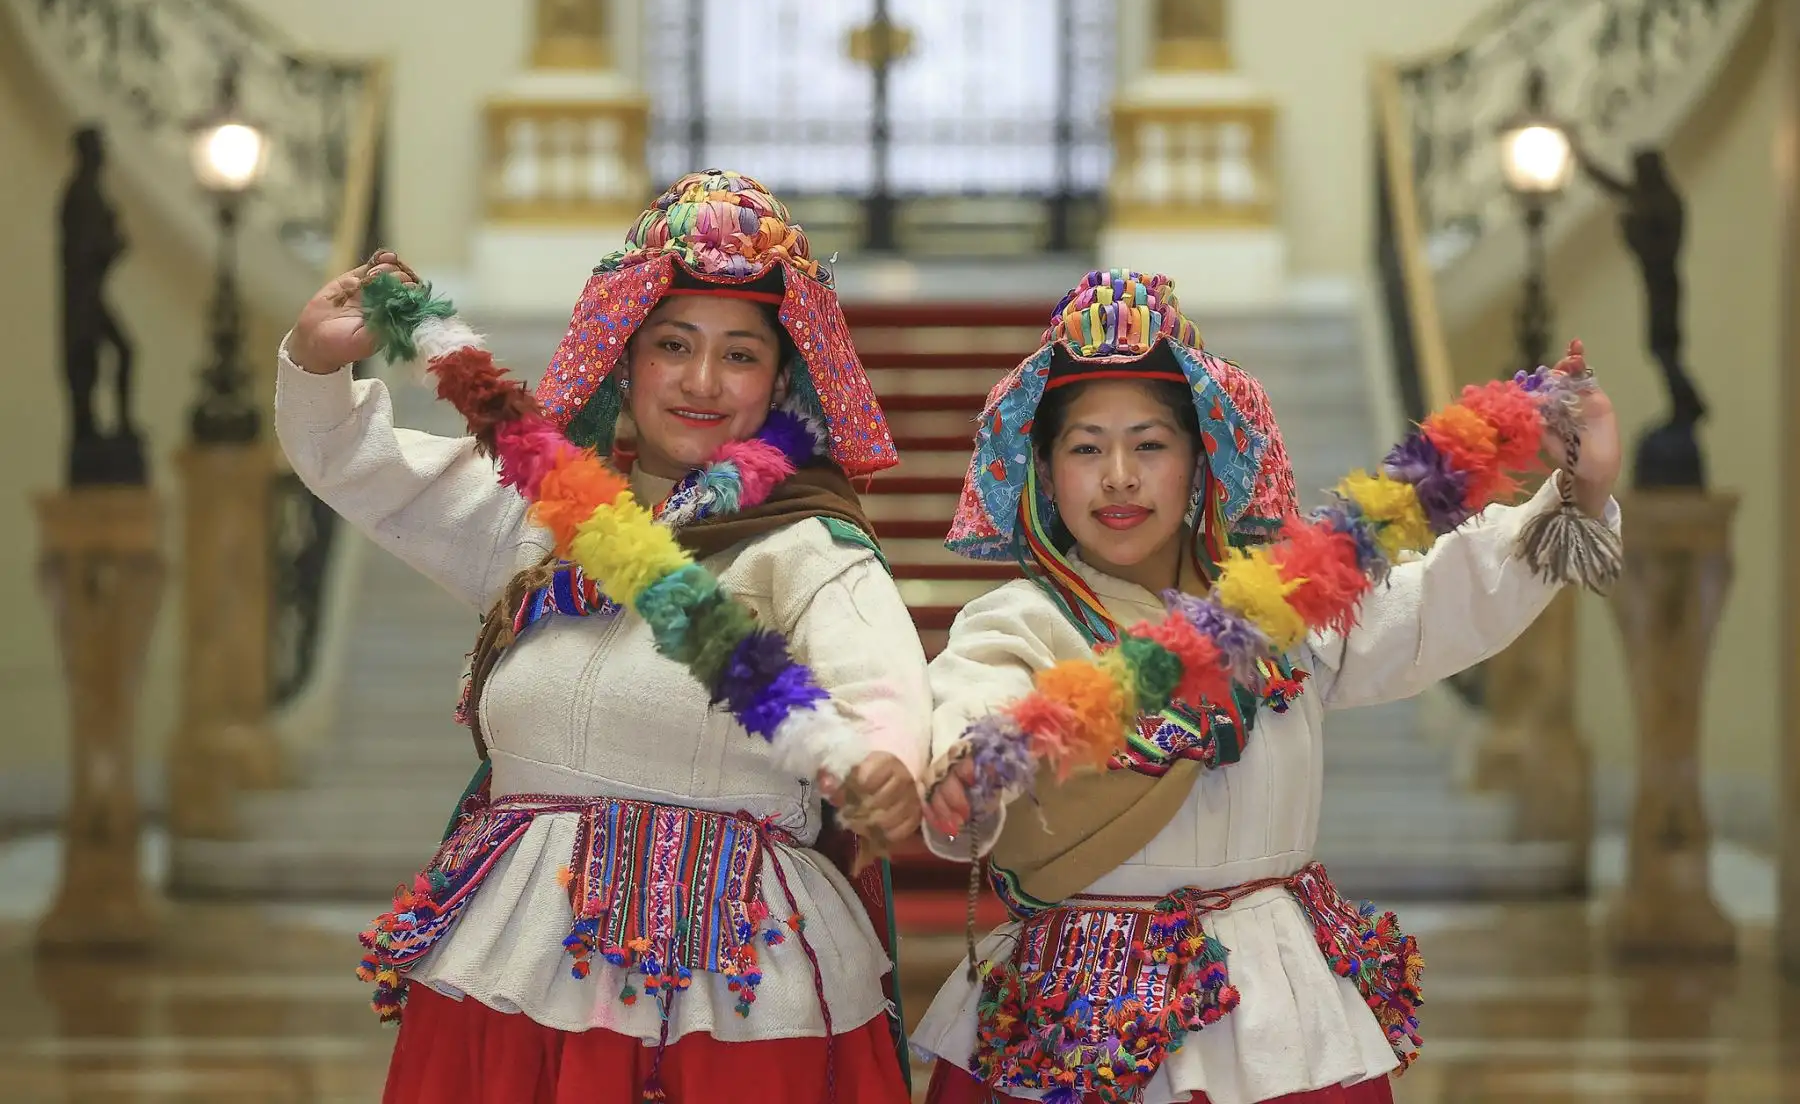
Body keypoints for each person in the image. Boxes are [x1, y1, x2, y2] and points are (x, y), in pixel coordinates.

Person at [275, 171, 928, 1103]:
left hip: (733, 996)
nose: (702, 381)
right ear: (627, 358)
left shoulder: (803, 544)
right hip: (508, 969)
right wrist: (313, 359)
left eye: (739, 355)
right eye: (673, 345)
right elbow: (355, 461)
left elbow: (883, 679)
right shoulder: (542, 520)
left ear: (780, 381)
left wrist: (888, 759)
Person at [909, 269, 1622, 1104]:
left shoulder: (1280, 602)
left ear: (1200, 456)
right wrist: (965, 764)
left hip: (1273, 1007)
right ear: (1043, 471)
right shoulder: (1023, 619)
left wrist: (1581, 489)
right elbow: (972, 700)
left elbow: (1436, 606)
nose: (1119, 477)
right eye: (1086, 447)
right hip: (1083, 1012)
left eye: (1149, 444)